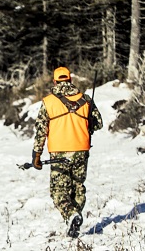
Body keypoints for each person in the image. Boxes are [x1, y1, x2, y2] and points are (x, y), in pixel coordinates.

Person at [31, 66, 103, 238]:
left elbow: (41, 130)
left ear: (55, 81)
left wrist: (36, 154)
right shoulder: (85, 99)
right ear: (70, 80)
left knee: (58, 191)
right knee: (78, 187)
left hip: (59, 153)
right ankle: (74, 220)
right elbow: (98, 123)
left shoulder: (48, 102)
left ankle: (71, 215)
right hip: (81, 150)